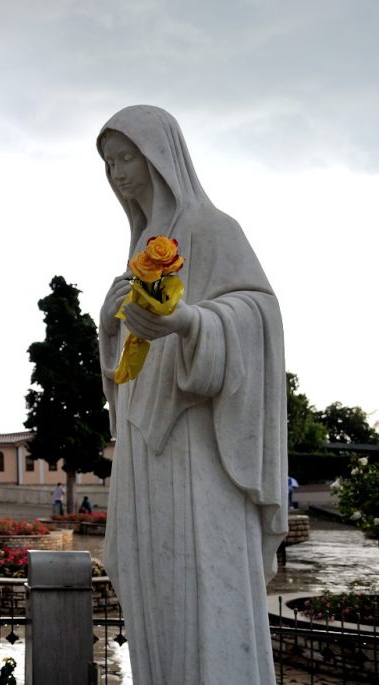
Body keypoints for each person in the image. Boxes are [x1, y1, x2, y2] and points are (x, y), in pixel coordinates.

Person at [96, 105, 286, 685]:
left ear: (161, 158)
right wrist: (109, 322)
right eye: (109, 163)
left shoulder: (212, 230)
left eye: (128, 157)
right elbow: (126, 363)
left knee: (206, 582)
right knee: (157, 581)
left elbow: (259, 315)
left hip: (198, 446)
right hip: (143, 443)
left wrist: (189, 323)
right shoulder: (143, 247)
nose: (119, 173)